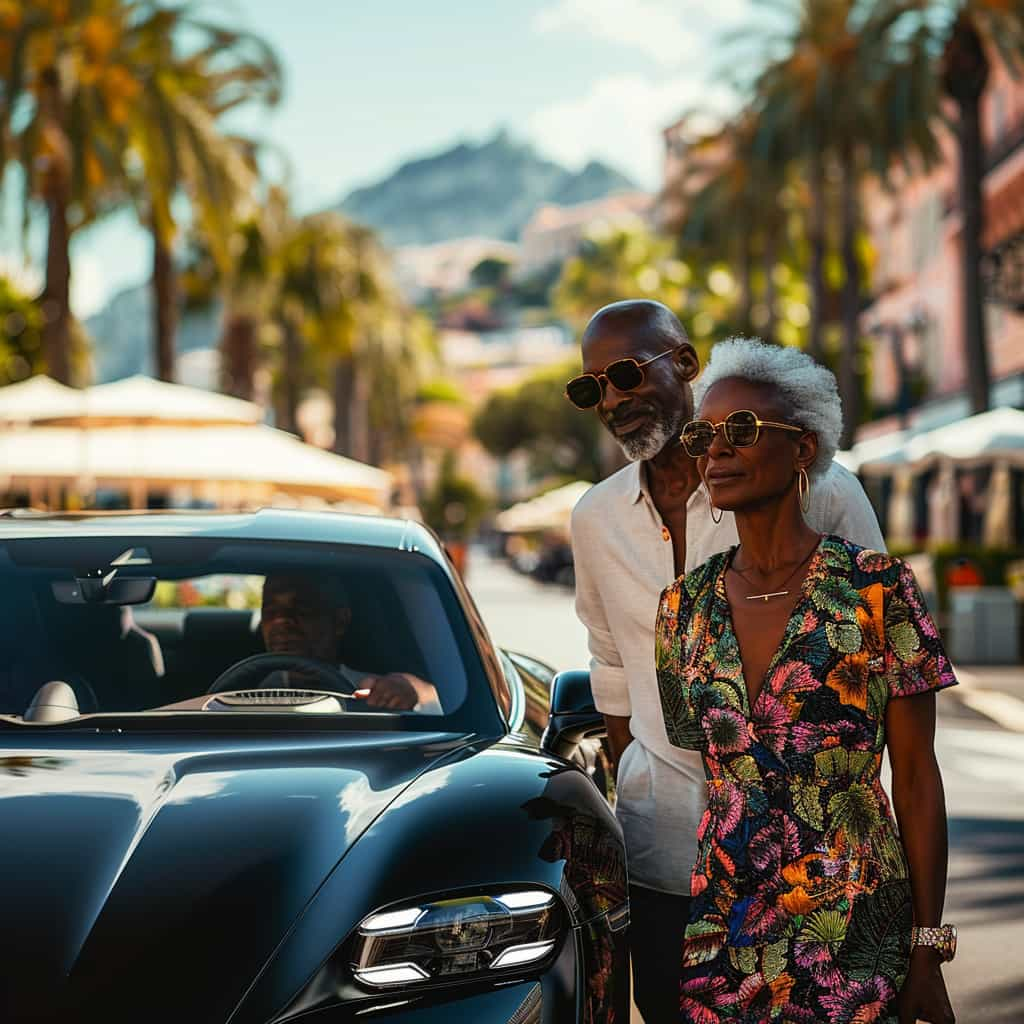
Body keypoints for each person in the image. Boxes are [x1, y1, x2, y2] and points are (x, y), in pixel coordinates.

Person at [568, 301, 885, 1024]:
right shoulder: (594, 517)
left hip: (801, 857)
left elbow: (879, 668)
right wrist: (644, 779)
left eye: (625, 374)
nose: (612, 399)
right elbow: (610, 665)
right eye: (592, 388)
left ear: (684, 362)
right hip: (663, 853)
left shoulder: (819, 489)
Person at [656, 339, 956, 1024]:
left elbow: (914, 777)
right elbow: (709, 766)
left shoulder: (878, 588)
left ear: (804, 449)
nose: (716, 452)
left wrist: (926, 952)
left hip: (856, 931)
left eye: (742, 431)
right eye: (704, 435)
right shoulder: (682, 608)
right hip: (725, 933)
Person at [259, 573, 441, 712]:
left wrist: (413, 691)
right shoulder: (253, 688)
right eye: (270, 611)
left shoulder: (374, 691)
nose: (281, 620)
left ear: (340, 621)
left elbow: (440, 700)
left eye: (301, 609)